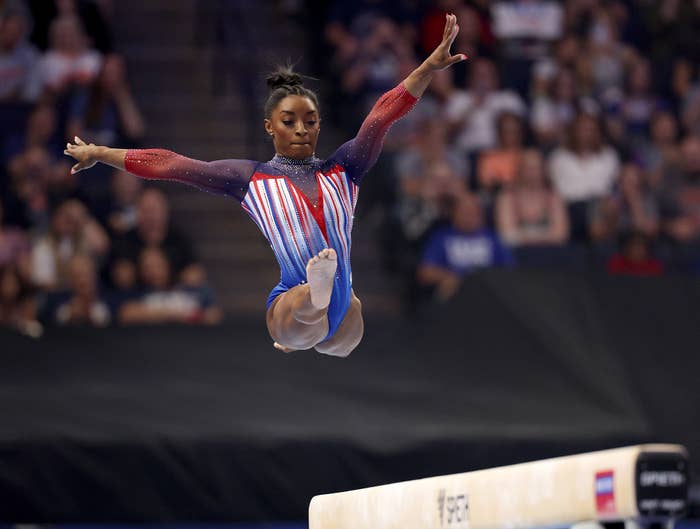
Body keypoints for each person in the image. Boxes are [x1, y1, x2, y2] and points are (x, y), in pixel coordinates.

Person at [65, 14, 468, 357]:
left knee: (342, 342)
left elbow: (380, 117)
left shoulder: (344, 169)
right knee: (290, 323)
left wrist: (426, 69)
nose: (300, 130)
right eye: (289, 122)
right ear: (269, 127)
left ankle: (321, 297)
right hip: (294, 292)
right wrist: (103, 152)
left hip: (343, 306)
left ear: (319, 126)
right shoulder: (250, 179)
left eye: (310, 122)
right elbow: (174, 164)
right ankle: (314, 294)